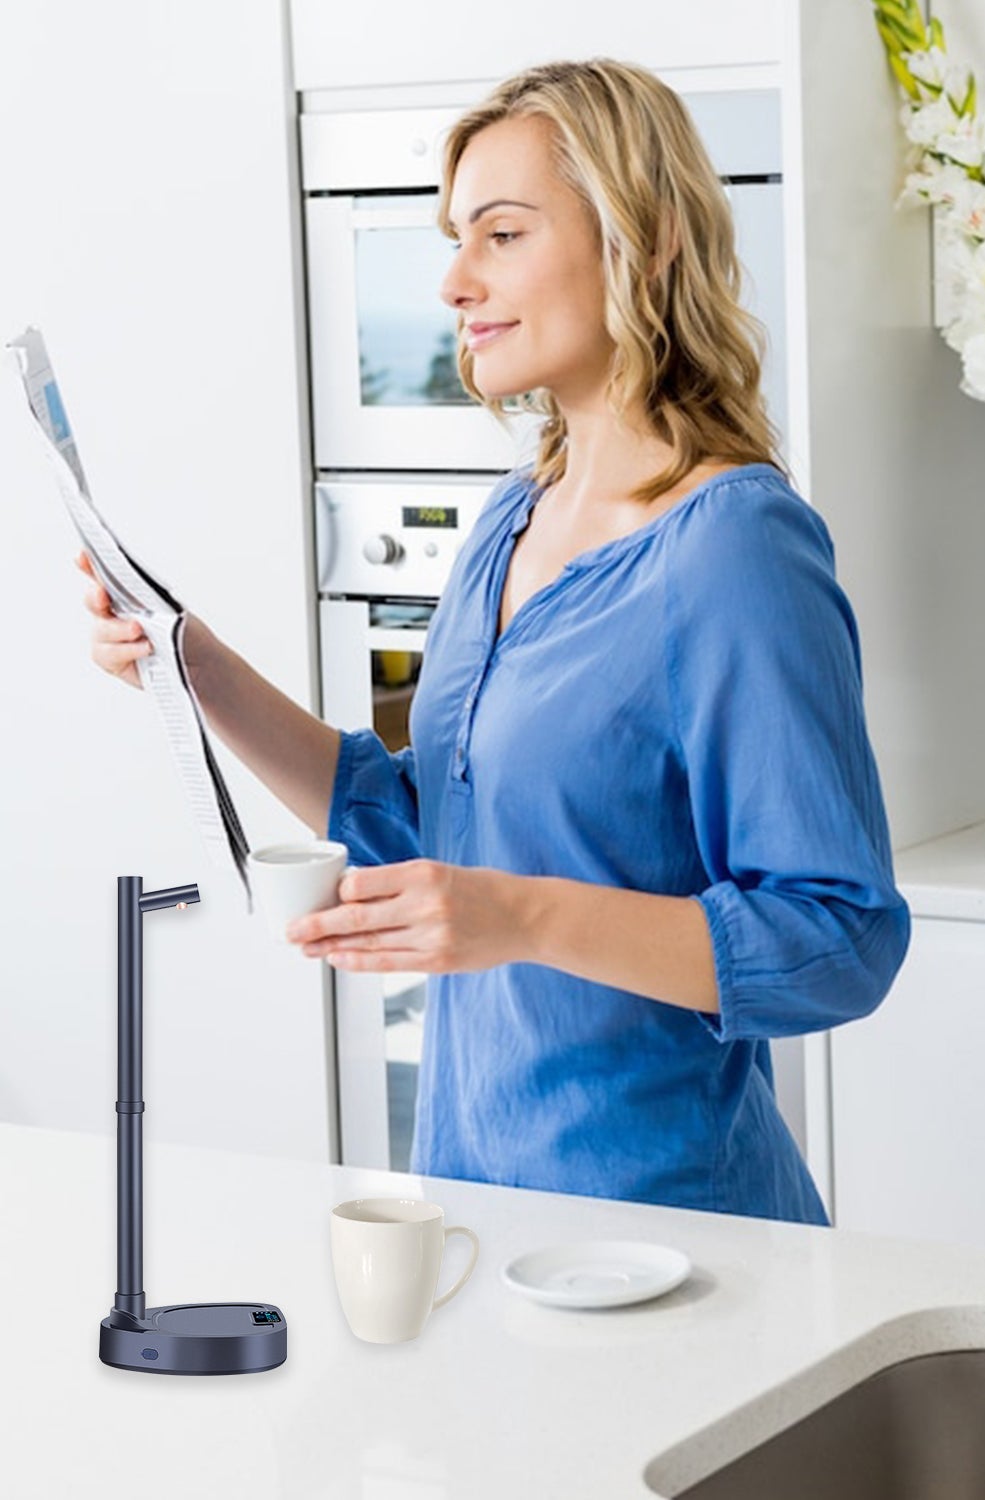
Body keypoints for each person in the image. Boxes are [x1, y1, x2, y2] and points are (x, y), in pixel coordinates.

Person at [80, 58, 909, 1225]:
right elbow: (435, 823)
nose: (456, 280)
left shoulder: (734, 549)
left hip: (674, 1238)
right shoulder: (510, 522)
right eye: (456, 238)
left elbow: (840, 940)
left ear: (646, 239)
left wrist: (519, 915)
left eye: (504, 234)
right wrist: (195, 667)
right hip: (475, 1210)